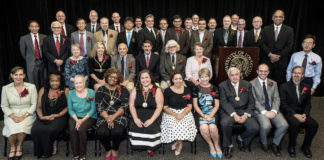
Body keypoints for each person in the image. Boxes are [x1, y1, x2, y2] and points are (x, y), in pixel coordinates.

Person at [219, 67, 259, 159]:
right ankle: (227, 145)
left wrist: (246, 115)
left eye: (236, 74)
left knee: (255, 127)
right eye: (232, 75)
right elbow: (224, 103)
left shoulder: (247, 84)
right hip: (229, 111)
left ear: (239, 75)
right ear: (228, 76)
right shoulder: (223, 85)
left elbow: (252, 102)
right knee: (225, 123)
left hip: (244, 111)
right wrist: (234, 114)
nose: (234, 77)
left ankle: (241, 138)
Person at [280, 66, 318, 158]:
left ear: (302, 76)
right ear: (291, 74)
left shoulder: (306, 87)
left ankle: (305, 146)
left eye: (299, 73)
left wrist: (305, 114)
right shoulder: (284, 86)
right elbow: (283, 104)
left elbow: (308, 104)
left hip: (302, 113)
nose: (296, 75)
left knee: (314, 125)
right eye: (295, 73)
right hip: (289, 113)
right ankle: (291, 146)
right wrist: (295, 115)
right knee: (295, 124)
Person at [250, 64, 288, 156]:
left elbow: (277, 98)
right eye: (261, 71)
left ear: (268, 72)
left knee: (284, 125)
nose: (263, 73)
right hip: (260, 111)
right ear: (257, 71)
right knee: (266, 126)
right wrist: (264, 112)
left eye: (265, 71)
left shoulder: (273, 83)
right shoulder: (251, 84)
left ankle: (275, 143)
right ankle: (263, 142)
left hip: (273, 109)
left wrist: (274, 111)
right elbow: (254, 100)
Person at [1, 66, 37, 160]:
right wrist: (13, 117)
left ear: (24, 76)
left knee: (22, 127)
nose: (18, 77)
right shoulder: (5, 88)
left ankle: (19, 146)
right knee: (12, 127)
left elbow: (34, 104)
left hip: (27, 113)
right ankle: (13, 147)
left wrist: (24, 116)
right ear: (11, 76)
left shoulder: (31, 87)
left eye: (21, 74)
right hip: (11, 113)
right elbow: (4, 105)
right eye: (16, 74)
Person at [31, 71, 69, 158]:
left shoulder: (66, 90)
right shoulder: (43, 90)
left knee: (50, 129)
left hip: (60, 116)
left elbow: (68, 107)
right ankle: (40, 152)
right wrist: (41, 116)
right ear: (49, 81)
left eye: (57, 81)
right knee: (35, 129)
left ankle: (50, 146)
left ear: (60, 81)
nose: (54, 83)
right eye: (52, 80)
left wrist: (57, 115)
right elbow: (38, 107)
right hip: (44, 115)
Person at [95, 68, 129, 160]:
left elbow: (124, 106)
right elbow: (99, 106)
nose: (112, 79)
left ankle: (115, 149)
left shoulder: (123, 89)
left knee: (117, 132)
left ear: (119, 79)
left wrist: (113, 117)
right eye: (111, 76)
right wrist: (107, 118)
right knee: (101, 132)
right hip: (104, 116)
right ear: (107, 77)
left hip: (119, 115)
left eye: (115, 78)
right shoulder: (101, 89)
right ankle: (108, 149)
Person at [128, 70, 163, 157]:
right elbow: (131, 105)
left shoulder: (157, 89)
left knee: (151, 128)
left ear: (151, 78)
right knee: (136, 126)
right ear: (139, 80)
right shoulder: (135, 89)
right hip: (138, 113)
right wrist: (135, 118)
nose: (145, 80)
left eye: (147, 77)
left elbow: (159, 107)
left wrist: (151, 120)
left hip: (153, 114)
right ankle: (140, 145)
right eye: (142, 78)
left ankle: (149, 147)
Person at [161, 72, 197, 156]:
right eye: (176, 79)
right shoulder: (167, 91)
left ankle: (178, 143)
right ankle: (179, 143)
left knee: (183, 124)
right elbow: (165, 107)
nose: (178, 80)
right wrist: (176, 115)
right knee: (174, 124)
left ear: (182, 79)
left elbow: (189, 106)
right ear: (172, 80)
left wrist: (182, 114)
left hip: (185, 111)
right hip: (170, 112)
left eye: (180, 78)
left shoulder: (187, 90)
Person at [192, 68, 222, 158]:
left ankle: (216, 145)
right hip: (200, 113)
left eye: (206, 77)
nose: (204, 79)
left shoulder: (214, 88)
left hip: (212, 112)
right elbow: (195, 105)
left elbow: (216, 105)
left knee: (212, 127)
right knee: (204, 128)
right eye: (202, 77)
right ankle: (211, 145)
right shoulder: (196, 88)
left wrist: (211, 115)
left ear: (209, 77)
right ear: (199, 78)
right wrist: (203, 115)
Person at [261, 9, 294, 85]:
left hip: (281, 62)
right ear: (272, 18)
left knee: (279, 84)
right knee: (266, 83)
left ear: (283, 18)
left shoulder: (289, 30)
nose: (278, 18)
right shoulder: (265, 29)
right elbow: (262, 44)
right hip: (268, 61)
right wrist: (270, 54)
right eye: (276, 16)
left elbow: (289, 46)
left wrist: (278, 56)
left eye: (280, 17)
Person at [68, 75, 97, 160]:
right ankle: (75, 154)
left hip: (89, 116)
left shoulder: (91, 92)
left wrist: (81, 121)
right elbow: (70, 109)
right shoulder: (71, 93)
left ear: (84, 83)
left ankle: (82, 154)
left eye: (80, 82)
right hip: (75, 116)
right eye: (76, 83)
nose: (78, 85)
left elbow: (93, 109)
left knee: (81, 129)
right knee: (73, 129)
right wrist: (77, 120)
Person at [19, 20, 47, 90]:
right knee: (33, 83)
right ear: (29, 28)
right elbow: (23, 52)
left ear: (38, 27)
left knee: (44, 81)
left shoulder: (44, 37)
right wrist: (29, 59)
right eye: (32, 26)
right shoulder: (24, 38)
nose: (34, 28)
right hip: (32, 63)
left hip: (43, 62)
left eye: (36, 26)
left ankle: (43, 98)